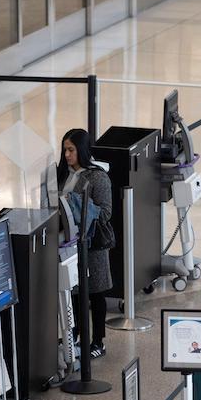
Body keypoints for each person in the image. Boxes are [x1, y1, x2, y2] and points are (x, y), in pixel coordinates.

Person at [57, 128, 113, 358]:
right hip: (70, 243)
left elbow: (105, 212)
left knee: (96, 294)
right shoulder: (63, 174)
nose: (68, 155)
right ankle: (76, 335)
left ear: (81, 150)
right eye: (65, 150)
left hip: (92, 244)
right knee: (76, 292)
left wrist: (77, 204)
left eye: (71, 150)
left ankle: (98, 340)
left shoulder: (97, 177)